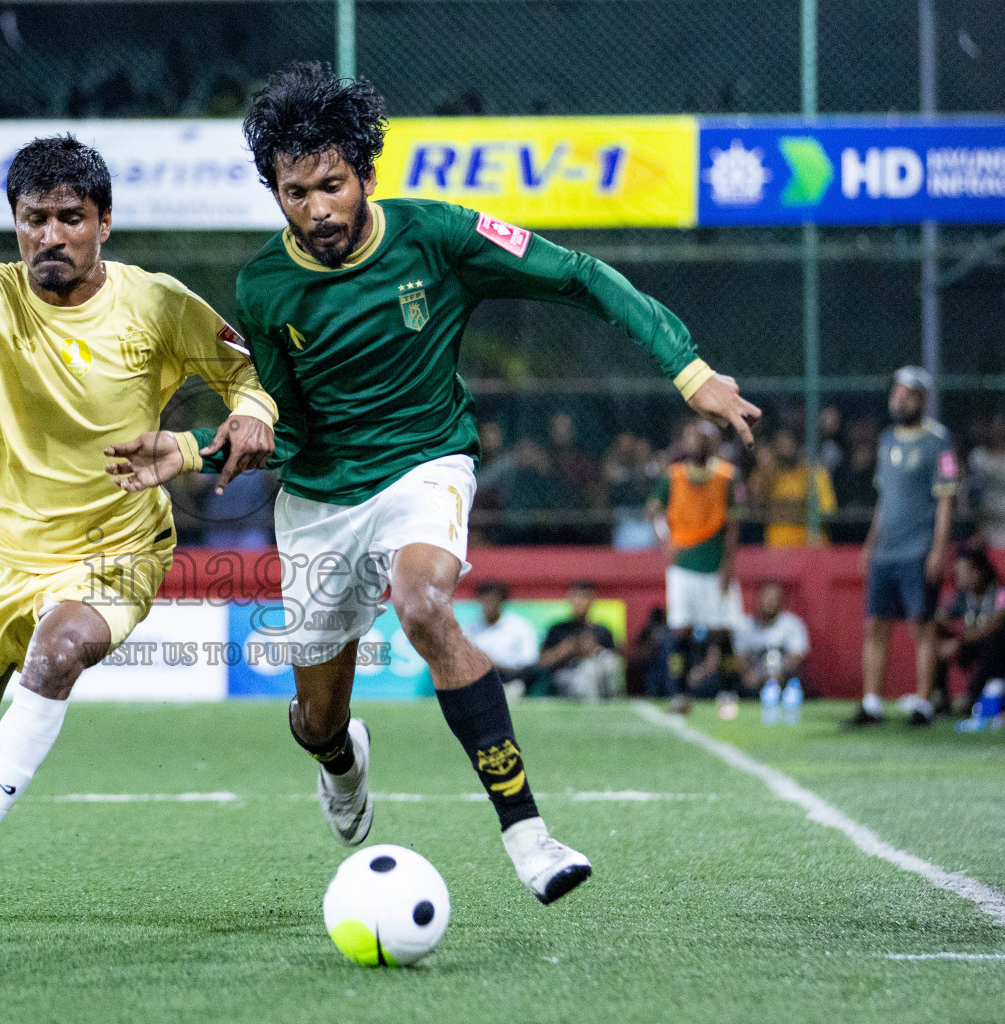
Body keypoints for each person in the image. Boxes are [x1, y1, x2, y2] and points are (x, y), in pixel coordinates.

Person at [120, 63, 759, 905]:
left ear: (367, 174)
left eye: (332, 185)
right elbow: (286, 422)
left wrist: (689, 369)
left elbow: (580, 274)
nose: (316, 211)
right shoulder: (263, 287)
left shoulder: (439, 236)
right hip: (318, 501)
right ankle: (344, 761)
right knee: (317, 722)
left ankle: (529, 835)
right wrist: (209, 444)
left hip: (426, 466)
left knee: (423, 605)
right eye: (294, 192)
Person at [0, 135, 275, 932]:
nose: (50, 235)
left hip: (119, 546)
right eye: (33, 219)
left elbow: (249, 373)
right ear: (15, 224)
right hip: (5, 547)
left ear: (104, 222)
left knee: (56, 653)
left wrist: (249, 411)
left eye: (69, 218)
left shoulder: (158, 303)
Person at [850, 367, 958, 728]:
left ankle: (922, 704)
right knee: (875, 625)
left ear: (922, 400)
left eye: (907, 395)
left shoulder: (939, 442)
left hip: (918, 548)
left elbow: (945, 500)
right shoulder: (887, 440)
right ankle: (871, 703)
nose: (899, 400)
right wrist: (871, 542)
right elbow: (885, 500)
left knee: (921, 626)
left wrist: (938, 549)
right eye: (896, 393)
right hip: (886, 551)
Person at [647, 421, 745, 713]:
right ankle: (679, 694)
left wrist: (729, 563)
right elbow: (654, 509)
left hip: (714, 564)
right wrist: (663, 541)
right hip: (683, 566)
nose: (696, 443)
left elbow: (733, 525)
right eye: (691, 437)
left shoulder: (727, 476)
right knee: (681, 631)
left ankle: (728, 693)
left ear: (714, 443)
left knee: (722, 632)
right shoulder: (673, 475)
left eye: (703, 438)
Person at [937, 548, 1005, 716]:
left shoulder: (999, 593)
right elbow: (942, 613)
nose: (958, 577)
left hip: (997, 654)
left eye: (962, 572)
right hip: (971, 646)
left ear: (977, 572)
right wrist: (943, 627)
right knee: (936, 642)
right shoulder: (963, 597)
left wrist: (959, 640)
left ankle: (971, 697)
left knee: (993, 642)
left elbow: (994, 625)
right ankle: (938, 697)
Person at [535, 579, 623, 701]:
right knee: (587, 673)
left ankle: (614, 704)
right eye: (576, 596)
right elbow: (540, 662)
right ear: (570, 598)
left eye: (584, 597)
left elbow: (615, 662)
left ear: (592, 599)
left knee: (602, 664)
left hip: (597, 677)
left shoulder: (602, 631)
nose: (580, 601)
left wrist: (594, 650)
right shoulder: (558, 629)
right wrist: (566, 648)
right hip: (566, 677)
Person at [751, 427, 836, 548]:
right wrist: (763, 467)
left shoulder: (814, 473)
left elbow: (827, 511)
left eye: (790, 441)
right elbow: (755, 505)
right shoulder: (768, 474)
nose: (786, 446)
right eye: (781, 444)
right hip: (779, 543)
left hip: (810, 542)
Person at [733, 581, 810, 694]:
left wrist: (774, 674)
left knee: (794, 680)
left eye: (774, 598)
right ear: (757, 600)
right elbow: (740, 659)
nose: (770, 602)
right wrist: (754, 675)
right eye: (766, 597)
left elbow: (796, 657)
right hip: (753, 679)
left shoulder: (792, 624)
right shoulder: (744, 626)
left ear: (782, 602)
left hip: (783, 677)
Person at [468, 580, 539, 683]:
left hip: (514, 679)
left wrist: (495, 666)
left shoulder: (520, 627)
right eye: (484, 601)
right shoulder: (470, 629)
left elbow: (530, 662)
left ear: (502, 601)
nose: (487, 605)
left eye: (492, 600)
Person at [967, 413, 1005, 549]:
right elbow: (971, 500)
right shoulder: (977, 457)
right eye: (995, 425)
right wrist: (978, 530)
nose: (998, 430)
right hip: (985, 535)